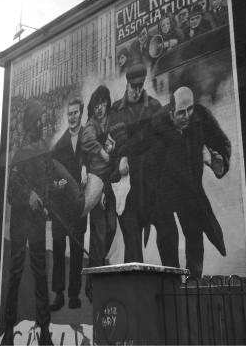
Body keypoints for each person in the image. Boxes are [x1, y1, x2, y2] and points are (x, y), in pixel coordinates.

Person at [149, 86, 231, 277]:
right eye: (181, 112)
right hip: (164, 188)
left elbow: (222, 142)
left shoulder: (200, 117)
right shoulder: (157, 123)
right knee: (168, 234)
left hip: (190, 187)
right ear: (171, 113)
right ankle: (172, 280)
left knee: (194, 231)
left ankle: (194, 280)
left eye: (190, 110)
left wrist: (218, 162)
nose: (187, 116)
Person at [3, 99, 55, 346]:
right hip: (20, 221)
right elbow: (12, 190)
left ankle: (44, 330)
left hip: (36, 222)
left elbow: (48, 183)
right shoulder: (20, 151)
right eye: (38, 119)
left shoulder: (44, 149)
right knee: (14, 272)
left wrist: (47, 202)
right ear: (30, 122)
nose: (41, 122)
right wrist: (29, 196)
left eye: (42, 118)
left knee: (40, 272)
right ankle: (9, 329)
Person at [110, 64, 162, 263]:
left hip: (147, 185)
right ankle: (133, 284)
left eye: (140, 86)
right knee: (131, 236)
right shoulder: (116, 109)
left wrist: (125, 152)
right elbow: (111, 142)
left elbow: (154, 142)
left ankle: (133, 283)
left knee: (138, 235)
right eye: (133, 86)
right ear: (127, 84)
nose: (137, 90)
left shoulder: (154, 107)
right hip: (124, 187)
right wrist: (119, 159)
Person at [80, 85, 120, 300]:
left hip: (107, 184)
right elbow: (86, 139)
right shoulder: (92, 125)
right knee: (99, 233)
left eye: (102, 104)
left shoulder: (112, 121)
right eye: (95, 105)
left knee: (111, 227)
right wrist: (102, 152)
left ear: (107, 103)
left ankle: (97, 263)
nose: (98, 109)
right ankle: (93, 286)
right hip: (95, 185)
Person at [49, 98, 87, 311]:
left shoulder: (87, 138)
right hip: (60, 207)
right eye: (69, 113)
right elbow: (49, 178)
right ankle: (59, 295)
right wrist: (56, 185)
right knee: (57, 250)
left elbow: (94, 162)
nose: (72, 117)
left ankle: (74, 295)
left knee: (76, 252)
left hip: (78, 207)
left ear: (81, 114)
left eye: (75, 113)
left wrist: (85, 168)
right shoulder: (58, 146)